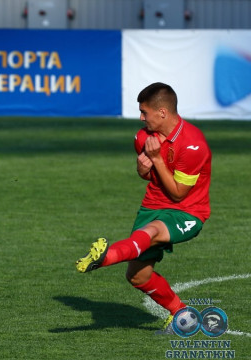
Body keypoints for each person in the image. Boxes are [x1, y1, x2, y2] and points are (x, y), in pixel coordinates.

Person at [75, 82, 211, 334]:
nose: (140, 117)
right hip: (151, 207)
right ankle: (183, 314)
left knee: (152, 231)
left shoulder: (193, 145)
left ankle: (104, 258)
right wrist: (142, 169)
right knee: (138, 276)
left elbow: (178, 193)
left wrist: (157, 159)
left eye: (144, 112)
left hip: (187, 211)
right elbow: (150, 177)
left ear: (162, 112)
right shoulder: (142, 138)